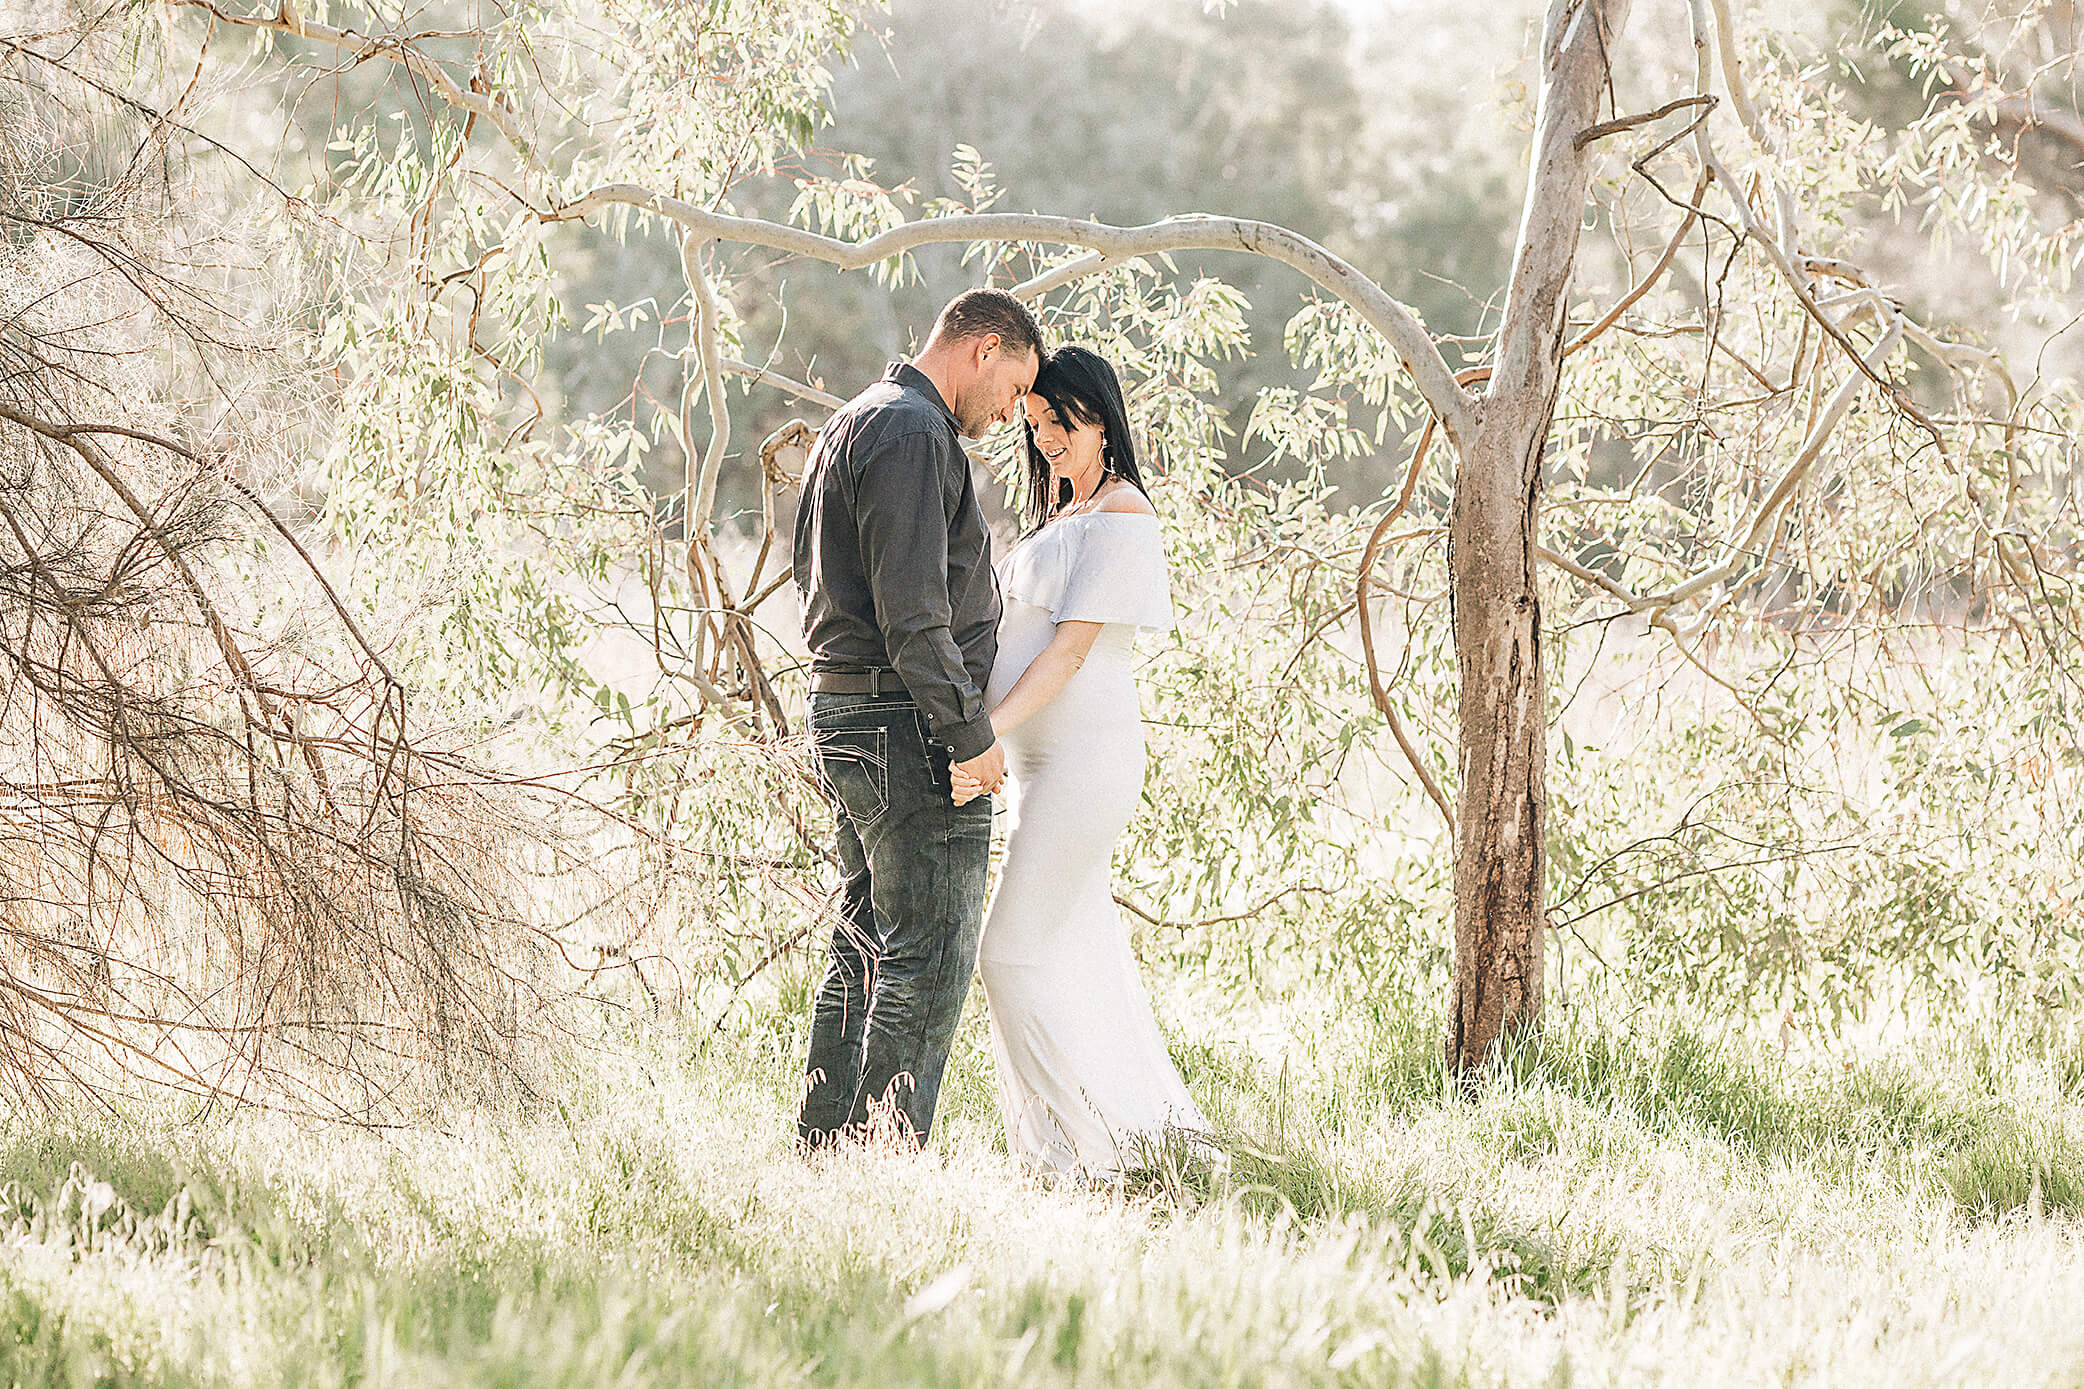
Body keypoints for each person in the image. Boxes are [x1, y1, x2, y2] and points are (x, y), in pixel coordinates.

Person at [951, 345, 1214, 1177]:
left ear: (1101, 420)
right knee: (1075, 959)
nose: (1046, 438)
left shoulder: (1125, 516)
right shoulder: (1060, 518)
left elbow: (1066, 657)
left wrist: (984, 733)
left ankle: (1084, 1156)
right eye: (1034, 424)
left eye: (1060, 423)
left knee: (1008, 954)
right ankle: (1120, 1142)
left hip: (1083, 765)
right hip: (1040, 770)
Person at [793, 288, 1042, 1151]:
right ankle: (880, 1167)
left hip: (852, 708)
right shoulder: (911, 432)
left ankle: (826, 1155)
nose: (1012, 411)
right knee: (928, 956)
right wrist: (970, 739)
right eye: (1016, 387)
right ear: (983, 350)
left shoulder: (857, 421)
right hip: (905, 722)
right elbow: (912, 611)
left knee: (866, 939)